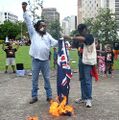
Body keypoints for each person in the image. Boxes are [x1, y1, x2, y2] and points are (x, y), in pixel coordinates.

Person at [22, 2, 58, 104]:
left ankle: (49, 96)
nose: (44, 27)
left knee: (47, 79)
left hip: (45, 61)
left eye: (45, 26)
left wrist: (62, 41)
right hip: (36, 61)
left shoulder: (47, 35)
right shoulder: (33, 33)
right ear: (38, 26)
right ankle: (34, 96)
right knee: (34, 79)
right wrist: (24, 10)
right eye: (42, 26)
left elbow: (55, 42)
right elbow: (28, 22)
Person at [64, 24, 97, 108]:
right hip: (81, 60)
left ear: (86, 29)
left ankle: (88, 99)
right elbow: (72, 46)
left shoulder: (90, 36)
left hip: (88, 61)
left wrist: (71, 37)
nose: (81, 32)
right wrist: (64, 45)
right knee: (82, 79)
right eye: (80, 30)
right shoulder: (78, 37)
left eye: (82, 30)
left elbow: (84, 39)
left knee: (87, 80)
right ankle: (83, 97)